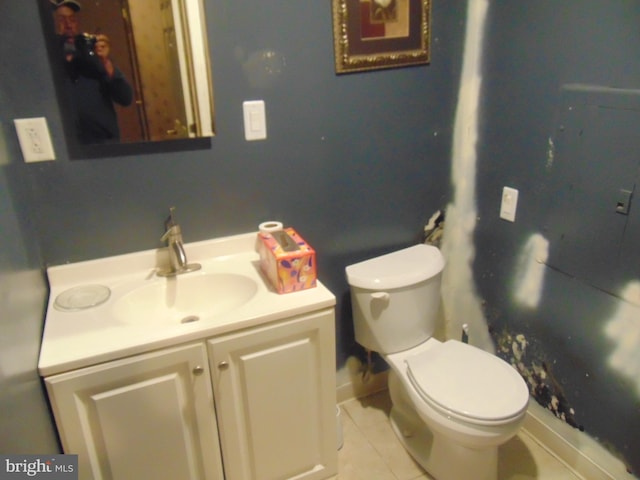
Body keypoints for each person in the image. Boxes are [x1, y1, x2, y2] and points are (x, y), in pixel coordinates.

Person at [51, 0, 133, 144]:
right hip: (65, 145)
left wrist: (105, 61)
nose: (69, 25)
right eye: (62, 20)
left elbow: (125, 98)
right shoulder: (47, 60)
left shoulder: (95, 59)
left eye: (72, 19)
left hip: (104, 144)